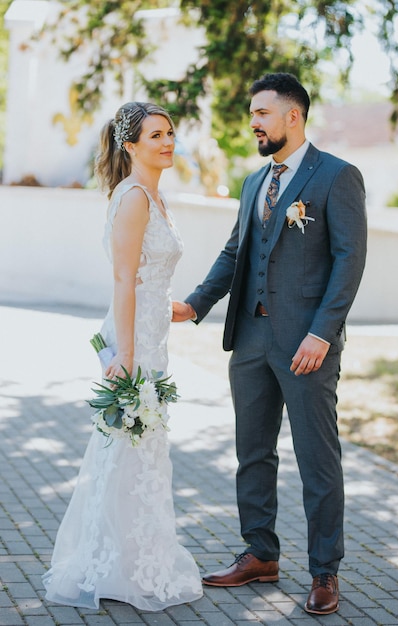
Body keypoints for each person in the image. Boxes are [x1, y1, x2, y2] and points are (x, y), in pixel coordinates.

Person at [172, 73, 367, 615]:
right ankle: (260, 553)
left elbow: (350, 261)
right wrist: (194, 304)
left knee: (316, 458)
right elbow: (236, 253)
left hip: (307, 343)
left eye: (261, 112)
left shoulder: (337, 176)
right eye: (252, 113)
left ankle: (325, 571)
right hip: (251, 337)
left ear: (293, 116)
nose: (253, 122)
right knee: (252, 453)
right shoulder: (254, 183)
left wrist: (321, 334)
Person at [42, 102, 203, 611]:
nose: (168, 142)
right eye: (156, 135)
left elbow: (149, 276)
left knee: (143, 450)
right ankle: (112, 562)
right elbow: (122, 278)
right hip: (135, 344)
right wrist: (127, 357)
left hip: (153, 333)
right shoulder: (133, 196)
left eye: (171, 133)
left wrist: (171, 305)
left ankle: (134, 557)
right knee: (129, 444)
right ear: (129, 144)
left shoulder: (155, 196)